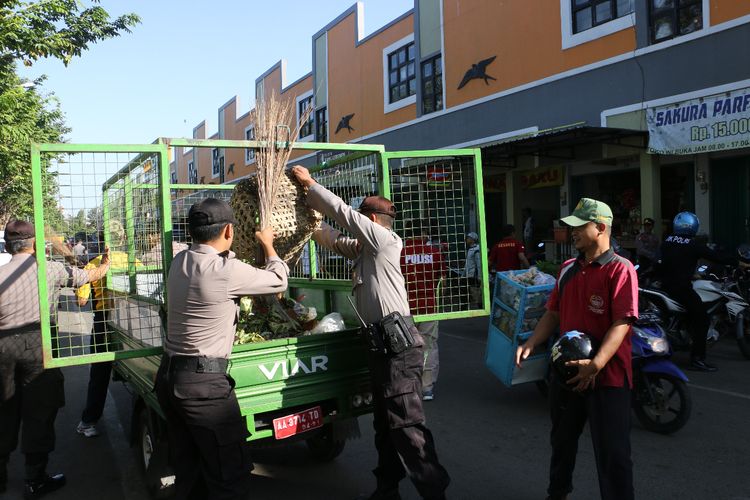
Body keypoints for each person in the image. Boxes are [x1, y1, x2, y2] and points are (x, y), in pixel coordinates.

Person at [292, 165, 450, 500]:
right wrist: (307, 221)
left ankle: (435, 492)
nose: (359, 225)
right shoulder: (366, 250)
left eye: (363, 219)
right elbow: (333, 238)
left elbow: (344, 216)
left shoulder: (385, 241)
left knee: (407, 428)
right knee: (384, 426)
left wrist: (312, 185)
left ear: (373, 222)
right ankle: (386, 490)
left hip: (397, 347)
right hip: (380, 347)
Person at [154, 198, 288, 499]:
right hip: (204, 390)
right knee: (229, 476)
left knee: (191, 472)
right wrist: (268, 245)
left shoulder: (179, 262)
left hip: (170, 378)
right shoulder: (226, 270)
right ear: (229, 230)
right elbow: (279, 280)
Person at [515, 198, 638, 500]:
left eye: (579, 227)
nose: (572, 233)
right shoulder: (568, 268)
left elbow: (622, 323)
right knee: (562, 443)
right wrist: (532, 341)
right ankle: (557, 494)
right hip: (567, 375)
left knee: (613, 455)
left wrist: (595, 364)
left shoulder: (620, 271)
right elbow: (553, 312)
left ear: (600, 227)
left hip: (607, 378)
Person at [0, 220, 110, 498]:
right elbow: (87, 277)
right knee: (40, 411)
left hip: (3, 348)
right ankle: (34, 478)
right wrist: (105, 264)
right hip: (40, 345)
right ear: (34, 243)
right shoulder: (49, 269)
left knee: (3, 410)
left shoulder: (1, 274)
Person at [75, 221, 141, 438]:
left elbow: (82, 301)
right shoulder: (134, 262)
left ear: (102, 240)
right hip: (132, 319)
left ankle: (88, 421)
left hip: (104, 322)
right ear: (122, 238)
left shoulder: (93, 265)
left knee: (99, 373)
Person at [658, 211, 741, 372]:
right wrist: (737, 261)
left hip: (664, 286)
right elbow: (716, 256)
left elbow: (673, 261)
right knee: (702, 319)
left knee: (693, 313)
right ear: (693, 226)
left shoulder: (667, 240)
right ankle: (697, 359)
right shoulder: (693, 244)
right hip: (681, 288)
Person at [400, 220, 446, 401]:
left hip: (404, 308)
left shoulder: (400, 254)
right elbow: (442, 282)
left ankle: (407, 385)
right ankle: (426, 387)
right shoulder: (434, 253)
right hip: (429, 306)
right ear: (425, 233)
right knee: (429, 346)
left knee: (405, 347)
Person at [464, 232, 482, 308]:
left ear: (473, 239)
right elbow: (467, 263)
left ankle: (479, 307)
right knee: (472, 293)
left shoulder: (476, 249)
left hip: (474, 275)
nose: (466, 239)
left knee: (475, 293)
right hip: (469, 275)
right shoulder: (470, 249)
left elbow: (478, 264)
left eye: (468, 238)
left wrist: (479, 276)